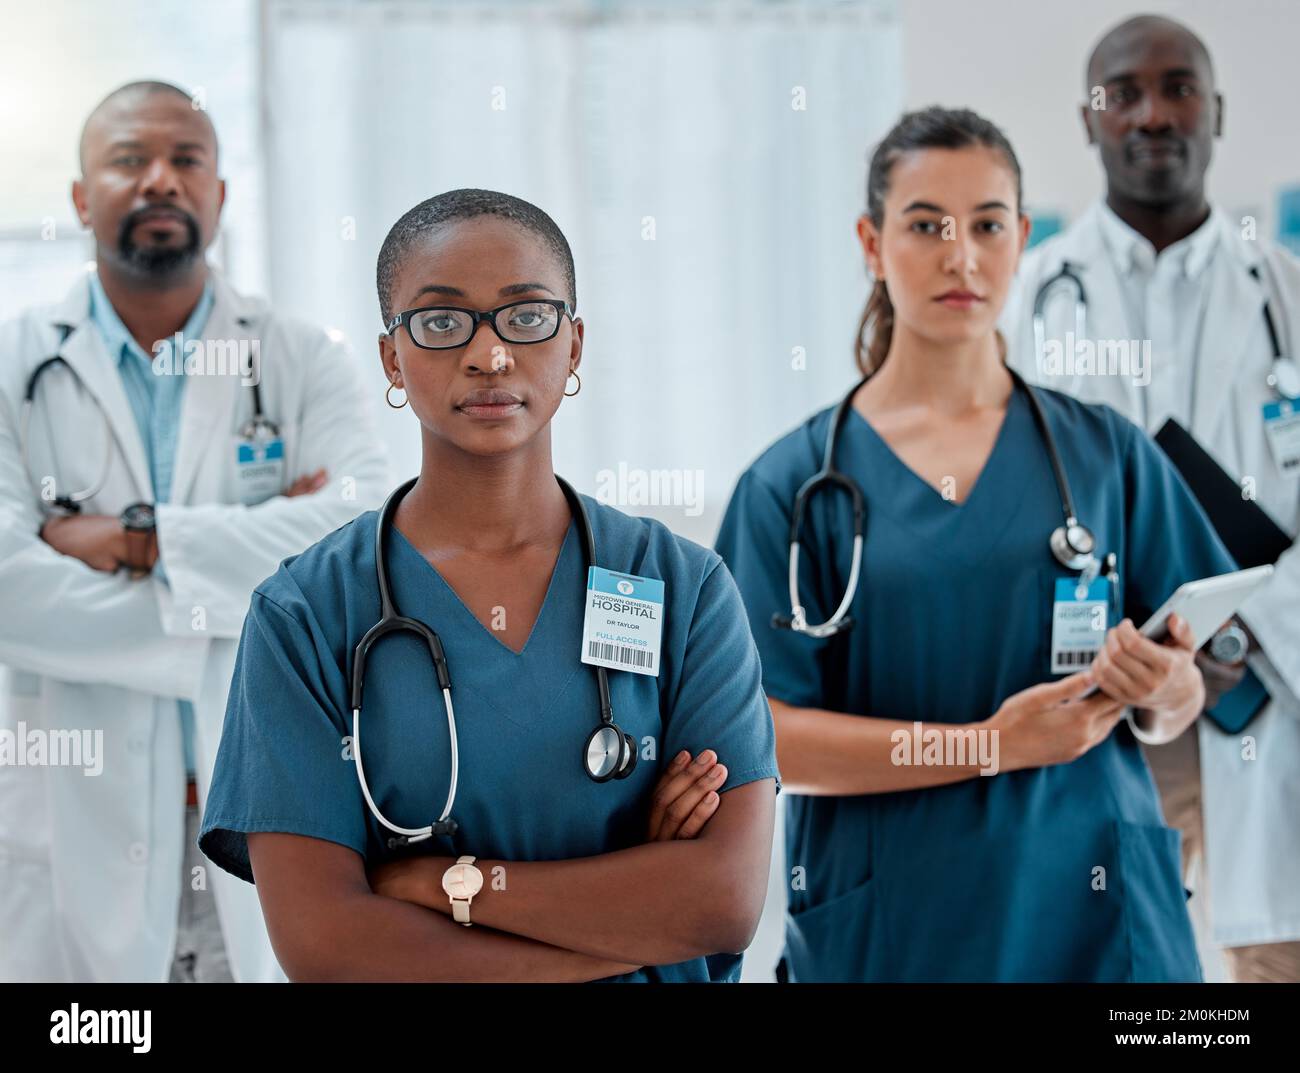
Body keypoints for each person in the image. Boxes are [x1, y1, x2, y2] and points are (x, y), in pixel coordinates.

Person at [197, 188, 780, 982]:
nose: (489, 353)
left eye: (526, 315)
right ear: (392, 358)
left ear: (574, 346)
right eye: (441, 322)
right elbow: (328, 947)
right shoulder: (304, 615)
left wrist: (444, 886)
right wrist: (621, 921)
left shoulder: (681, 587)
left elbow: (720, 902)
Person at [715, 106, 1240, 983]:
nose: (961, 256)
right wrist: (985, 745)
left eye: (989, 225)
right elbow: (757, 738)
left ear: (1023, 239)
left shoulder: (1106, 454)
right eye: (926, 225)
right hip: (901, 923)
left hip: (1103, 918)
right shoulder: (792, 486)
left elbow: (1194, 667)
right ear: (872, 243)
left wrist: (1169, 691)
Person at [0, 81, 389, 982]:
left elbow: (359, 537)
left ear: (219, 193)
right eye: (130, 159)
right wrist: (245, 582)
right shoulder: (15, 361)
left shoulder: (299, 354)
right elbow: (8, 591)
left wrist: (138, 543)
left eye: (187, 160)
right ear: (79, 196)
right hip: (70, 811)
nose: (160, 180)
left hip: (262, 815)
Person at [1003, 15, 1300, 982]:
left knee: (1271, 958)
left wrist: (1243, 623)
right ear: (1089, 121)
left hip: (1270, 689)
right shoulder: (1025, 299)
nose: (1151, 114)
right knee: (1119, 962)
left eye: (1178, 89)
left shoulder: (1286, 294)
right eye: (1121, 94)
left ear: (1216, 112)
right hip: (1103, 689)